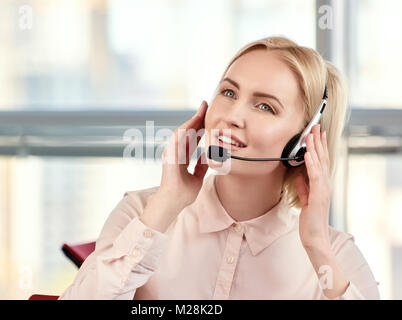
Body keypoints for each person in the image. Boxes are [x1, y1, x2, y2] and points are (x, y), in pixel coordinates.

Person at [58, 36, 380, 300]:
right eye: (229, 92)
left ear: (303, 142)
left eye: (265, 106)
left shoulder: (335, 255)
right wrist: (168, 203)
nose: (232, 115)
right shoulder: (142, 212)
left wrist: (316, 244)